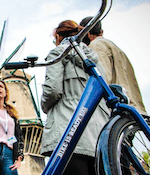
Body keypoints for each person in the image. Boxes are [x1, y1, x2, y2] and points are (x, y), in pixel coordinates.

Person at [39, 20, 109, 175]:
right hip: (97, 137)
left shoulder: (57, 53)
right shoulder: (95, 60)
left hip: (70, 131)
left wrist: (44, 106)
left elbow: (53, 90)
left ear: (58, 36)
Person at [80, 16, 147, 114]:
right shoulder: (115, 48)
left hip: (119, 108)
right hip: (133, 106)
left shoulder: (95, 46)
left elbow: (103, 77)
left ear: (88, 34)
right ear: (101, 32)